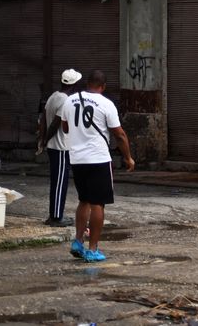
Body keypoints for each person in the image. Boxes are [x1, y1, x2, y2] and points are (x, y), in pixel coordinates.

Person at [58, 69, 134, 263]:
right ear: (103, 86)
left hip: (76, 158)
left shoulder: (70, 100)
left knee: (83, 200)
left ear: (87, 84)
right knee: (98, 204)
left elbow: (65, 127)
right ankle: (92, 249)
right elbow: (119, 134)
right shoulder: (106, 104)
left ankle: (77, 242)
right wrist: (128, 158)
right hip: (98, 159)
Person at [36, 68, 82, 227]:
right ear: (74, 84)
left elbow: (43, 119)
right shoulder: (65, 101)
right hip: (61, 147)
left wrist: (42, 139)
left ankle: (55, 214)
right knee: (60, 182)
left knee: (57, 181)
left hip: (53, 147)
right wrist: (45, 139)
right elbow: (55, 124)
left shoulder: (53, 97)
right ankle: (56, 217)